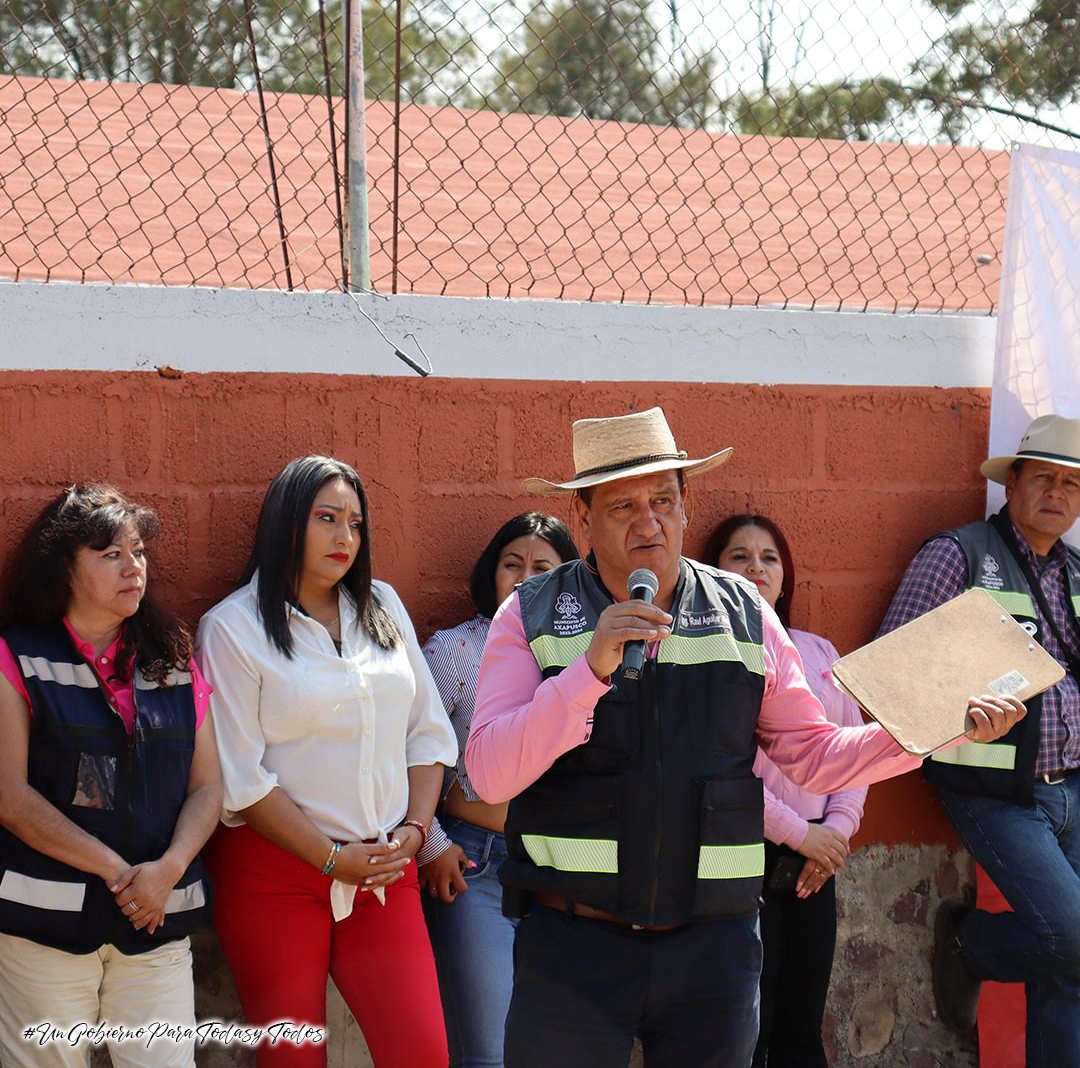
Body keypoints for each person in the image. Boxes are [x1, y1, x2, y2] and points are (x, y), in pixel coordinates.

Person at [465, 406, 1026, 1068]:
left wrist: (936, 725)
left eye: (664, 501)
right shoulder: (529, 614)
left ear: (687, 504)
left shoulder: (744, 614)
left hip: (714, 956)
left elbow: (816, 757)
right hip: (572, 949)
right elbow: (492, 775)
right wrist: (588, 671)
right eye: (623, 507)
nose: (649, 522)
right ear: (583, 520)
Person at [196, 455, 457, 1068]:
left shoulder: (383, 606)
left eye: (357, 524)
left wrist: (416, 833)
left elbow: (427, 734)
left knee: (421, 1053)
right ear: (287, 523)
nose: (346, 538)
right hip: (275, 876)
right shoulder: (231, 629)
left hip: (386, 873)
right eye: (327, 519)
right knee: (292, 1059)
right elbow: (241, 778)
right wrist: (332, 858)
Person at [878, 414, 1080, 1067]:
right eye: (1044, 477)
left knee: (1072, 967)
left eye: (1072, 484)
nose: (1057, 492)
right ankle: (972, 943)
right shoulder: (959, 555)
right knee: (1073, 937)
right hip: (994, 791)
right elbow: (891, 676)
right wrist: (961, 705)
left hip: (1074, 783)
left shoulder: (1077, 573)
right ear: (1012, 483)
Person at [0, 483, 222, 1068]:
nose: (134, 568)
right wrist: (126, 877)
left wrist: (168, 872)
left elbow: (208, 787)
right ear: (64, 569)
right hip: (45, 931)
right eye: (110, 554)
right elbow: (10, 796)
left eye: (139, 553)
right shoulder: (16, 657)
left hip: (156, 930)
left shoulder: (173, 661)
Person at [420, 512, 579, 1068]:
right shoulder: (457, 651)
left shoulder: (592, 653)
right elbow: (406, 753)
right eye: (513, 564)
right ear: (492, 571)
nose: (525, 577)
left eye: (543, 566)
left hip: (567, 873)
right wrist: (431, 844)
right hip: (476, 869)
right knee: (486, 1053)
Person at [711, 513, 866, 1068]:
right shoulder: (705, 658)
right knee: (748, 1035)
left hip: (814, 868)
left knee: (802, 1031)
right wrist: (802, 836)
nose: (756, 567)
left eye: (768, 557)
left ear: (786, 575)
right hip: (741, 860)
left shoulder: (821, 653)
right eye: (739, 556)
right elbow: (728, 767)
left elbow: (852, 752)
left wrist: (834, 837)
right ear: (711, 570)